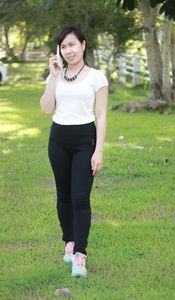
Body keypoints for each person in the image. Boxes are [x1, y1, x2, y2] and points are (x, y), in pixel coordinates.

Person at [40, 24, 108, 277]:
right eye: (63, 46)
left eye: (72, 44)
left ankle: (80, 253)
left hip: (84, 141)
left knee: (80, 197)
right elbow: (47, 110)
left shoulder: (96, 77)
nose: (68, 50)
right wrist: (53, 77)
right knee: (63, 195)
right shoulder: (56, 76)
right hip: (58, 140)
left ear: (83, 44)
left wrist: (98, 150)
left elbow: (100, 115)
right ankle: (68, 241)